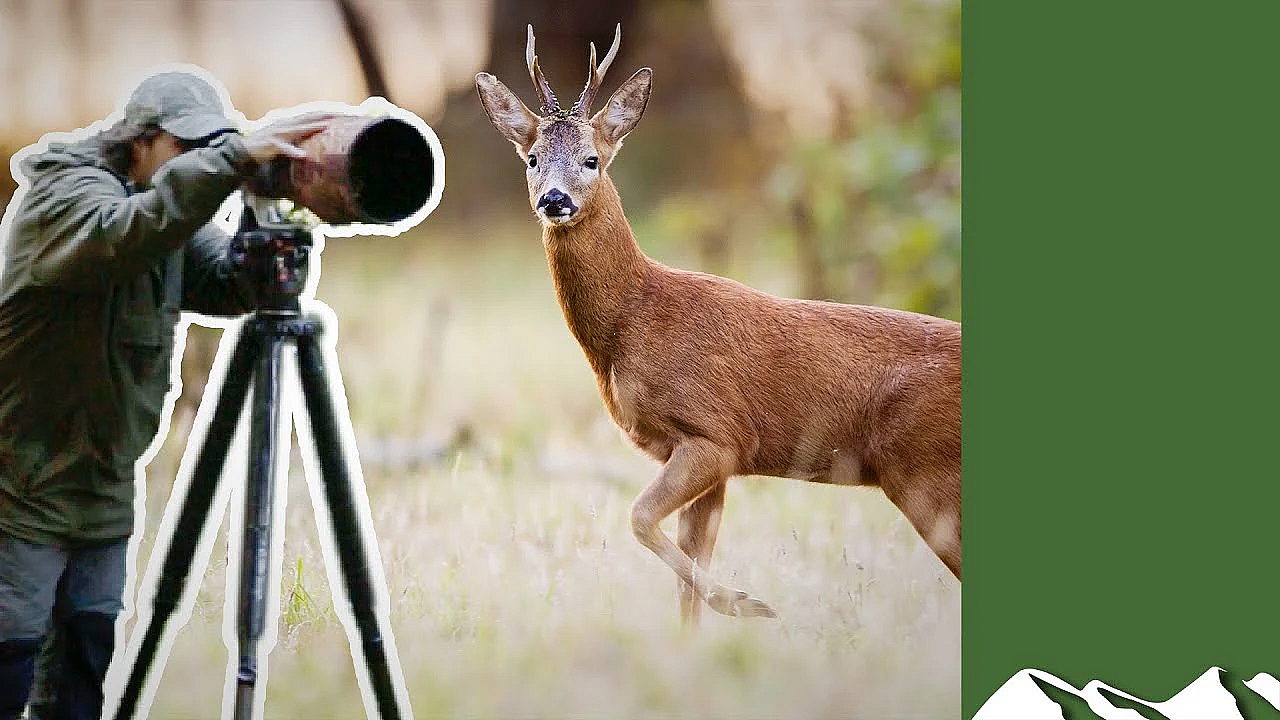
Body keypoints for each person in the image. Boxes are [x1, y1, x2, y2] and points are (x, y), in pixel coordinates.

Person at [0, 69, 332, 720]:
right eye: (191, 149)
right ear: (141, 142)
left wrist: (272, 239)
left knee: (84, 667)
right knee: (11, 659)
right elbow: (127, 234)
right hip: (21, 482)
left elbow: (225, 284)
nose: (205, 162)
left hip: (104, 483)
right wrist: (234, 158)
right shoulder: (65, 199)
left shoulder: (162, 205)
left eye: (216, 147)